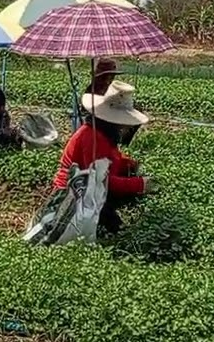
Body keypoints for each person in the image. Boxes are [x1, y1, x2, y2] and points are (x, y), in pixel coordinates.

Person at [53, 82, 152, 235]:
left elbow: (110, 159)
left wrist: (128, 164)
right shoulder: (93, 137)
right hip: (70, 192)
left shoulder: (104, 134)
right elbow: (102, 180)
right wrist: (139, 185)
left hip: (88, 186)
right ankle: (116, 230)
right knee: (103, 201)